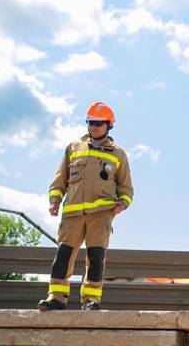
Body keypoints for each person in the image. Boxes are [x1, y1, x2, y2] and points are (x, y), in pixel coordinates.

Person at [38, 101, 133, 310]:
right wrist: (54, 200)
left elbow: (126, 189)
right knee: (63, 255)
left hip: (101, 214)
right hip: (72, 213)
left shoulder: (118, 155)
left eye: (99, 123)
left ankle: (90, 300)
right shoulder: (73, 149)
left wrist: (122, 204)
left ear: (109, 125)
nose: (94, 126)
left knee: (96, 258)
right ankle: (56, 297)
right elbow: (59, 180)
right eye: (90, 122)